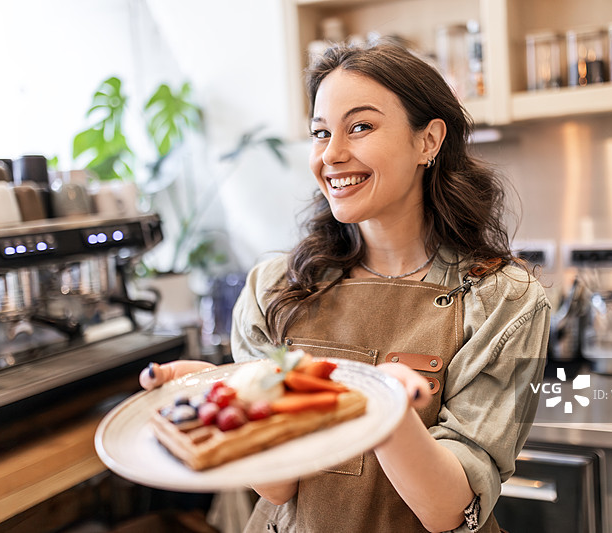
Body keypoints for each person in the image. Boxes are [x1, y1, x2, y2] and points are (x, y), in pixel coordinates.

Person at [141, 42, 549, 533]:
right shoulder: (275, 288)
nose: (332, 155)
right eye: (320, 133)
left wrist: (387, 410)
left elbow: (448, 513)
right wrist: (230, 402)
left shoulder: (503, 298)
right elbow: (278, 488)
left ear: (429, 141)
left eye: (360, 127)